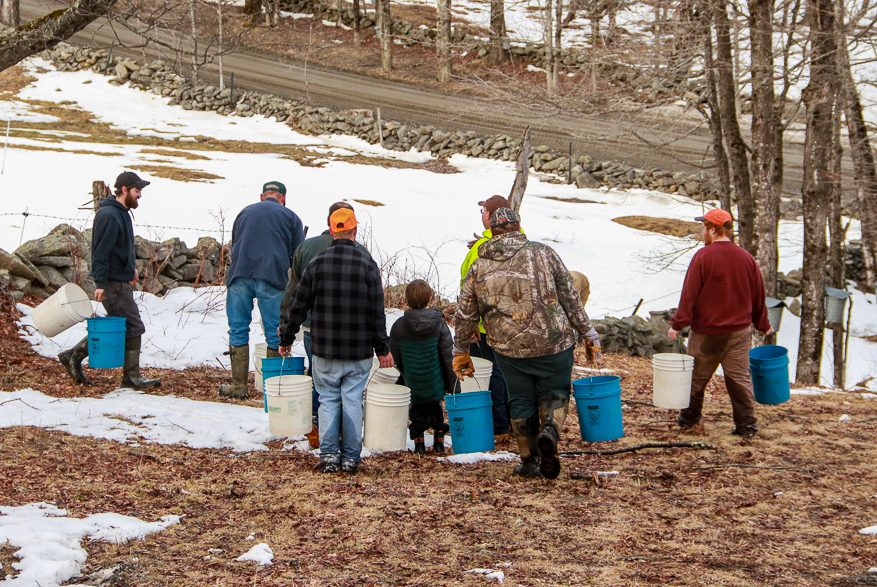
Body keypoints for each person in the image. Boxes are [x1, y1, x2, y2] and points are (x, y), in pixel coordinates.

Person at [454, 207, 601, 480]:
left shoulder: (479, 265)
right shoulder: (544, 253)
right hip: (554, 343)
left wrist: (461, 349)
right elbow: (570, 295)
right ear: (518, 226)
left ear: (493, 231)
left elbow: (465, 311)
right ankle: (550, 432)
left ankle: (529, 461)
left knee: (520, 400)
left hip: (509, 349)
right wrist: (588, 333)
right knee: (555, 392)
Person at [279, 208, 393, 475]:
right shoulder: (367, 265)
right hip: (358, 350)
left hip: (325, 348)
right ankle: (351, 457)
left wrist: (286, 337)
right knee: (352, 400)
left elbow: (298, 305)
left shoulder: (317, 263)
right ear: (355, 230)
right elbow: (377, 312)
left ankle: (329, 455)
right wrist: (383, 348)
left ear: (331, 231)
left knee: (328, 400)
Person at [668, 208, 772, 439]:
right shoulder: (746, 258)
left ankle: (689, 420)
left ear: (713, 230)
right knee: (739, 378)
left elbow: (689, 296)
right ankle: (747, 426)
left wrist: (678, 324)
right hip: (739, 333)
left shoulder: (703, 257)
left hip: (707, 334)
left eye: (704, 227)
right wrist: (763, 324)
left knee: (695, 379)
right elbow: (758, 296)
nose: (702, 231)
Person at [58, 171, 160, 390]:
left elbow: (122, 247)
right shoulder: (109, 216)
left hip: (120, 279)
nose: (140, 195)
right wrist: (101, 284)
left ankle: (72, 356)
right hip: (112, 283)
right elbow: (101, 252)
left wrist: (131, 268)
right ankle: (131, 378)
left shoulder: (122, 212)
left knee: (121, 327)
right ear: (124, 190)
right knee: (133, 327)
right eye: (137, 190)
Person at [279, 201, 369, 448]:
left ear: (329, 224)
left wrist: (285, 328)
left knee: (322, 385)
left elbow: (294, 292)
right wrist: (380, 344)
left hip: (314, 329)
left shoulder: (306, 249)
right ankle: (347, 444)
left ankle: (318, 432)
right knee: (349, 393)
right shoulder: (362, 255)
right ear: (354, 227)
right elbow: (372, 304)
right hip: (354, 336)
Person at [220, 181, 304, 399]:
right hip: (272, 278)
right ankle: (273, 389)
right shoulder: (291, 217)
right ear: (283, 198)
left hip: (240, 276)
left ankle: (239, 387)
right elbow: (298, 256)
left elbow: (235, 242)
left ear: (262, 196)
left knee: (238, 329)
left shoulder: (244, 212)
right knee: (274, 333)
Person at [459, 195, 513, 437]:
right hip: (514, 322)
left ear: (491, 216)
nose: (481, 215)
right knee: (512, 373)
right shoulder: (518, 241)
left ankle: (498, 425)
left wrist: (467, 322)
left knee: (492, 373)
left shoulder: (483, 249)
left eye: (483, 211)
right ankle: (514, 421)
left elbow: (470, 289)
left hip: (485, 323)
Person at [389, 279, 454, 455]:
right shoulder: (440, 325)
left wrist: (404, 375)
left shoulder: (399, 326)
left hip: (412, 381)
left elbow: (394, 354)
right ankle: (439, 442)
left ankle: (419, 444)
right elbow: (448, 356)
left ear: (407, 300)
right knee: (435, 408)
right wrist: (452, 384)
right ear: (429, 299)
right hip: (435, 381)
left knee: (417, 411)